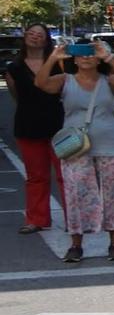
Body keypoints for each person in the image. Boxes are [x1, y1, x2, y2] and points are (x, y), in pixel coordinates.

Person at [35, 37, 114, 263]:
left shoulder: (108, 80)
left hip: (111, 143)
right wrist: (53, 57)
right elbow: (41, 83)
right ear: (75, 59)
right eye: (81, 54)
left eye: (91, 54)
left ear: (98, 59)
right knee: (76, 192)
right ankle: (76, 244)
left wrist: (108, 56)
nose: (87, 58)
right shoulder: (65, 80)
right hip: (75, 147)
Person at [4, 23, 63, 233]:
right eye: (31, 33)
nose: (35, 37)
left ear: (47, 39)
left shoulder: (58, 63)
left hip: (59, 124)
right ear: (24, 37)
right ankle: (36, 219)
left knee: (65, 174)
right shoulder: (15, 67)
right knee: (36, 176)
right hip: (28, 124)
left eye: (40, 34)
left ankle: (74, 217)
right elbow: (16, 95)